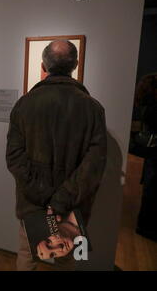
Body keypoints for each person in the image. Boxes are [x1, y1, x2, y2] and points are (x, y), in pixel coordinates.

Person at [6, 40, 107, 271]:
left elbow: (14, 158)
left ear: (44, 66)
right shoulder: (92, 108)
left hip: (33, 201)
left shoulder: (24, 105)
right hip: (72, 204)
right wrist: (61, 201)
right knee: (66, 259)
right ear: (75, 65)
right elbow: (94, 165)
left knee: (29, 255)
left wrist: (44, 196)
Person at [134, 74, 157, 241]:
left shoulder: (146, 102)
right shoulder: (152, 106)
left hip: (152, 153)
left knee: (151, 189)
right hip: (153, 153)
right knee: (151, 190)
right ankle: (146, 227)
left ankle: (145, 226)